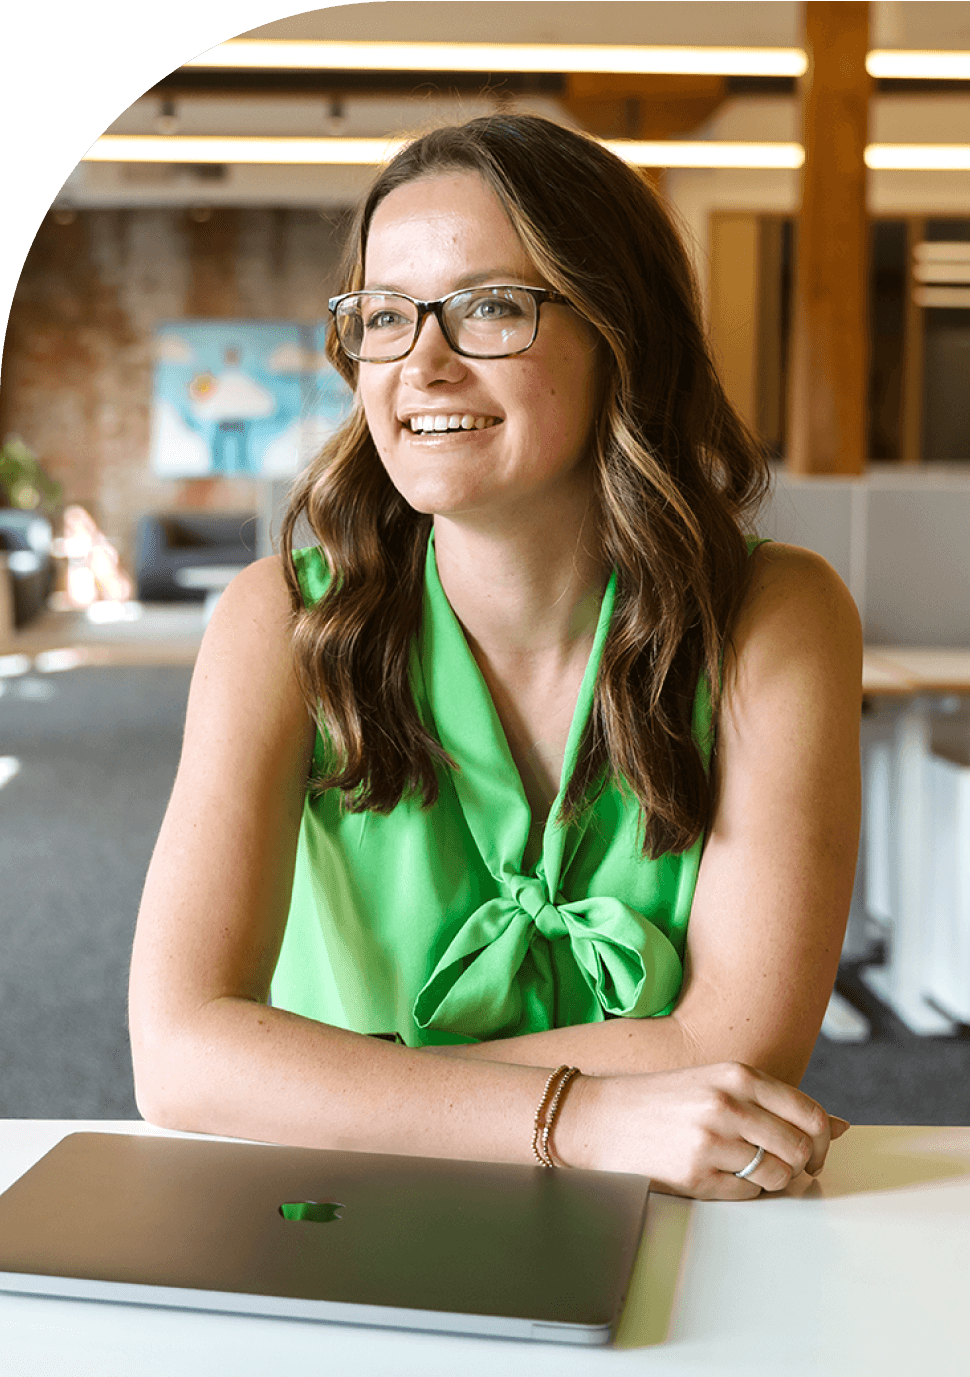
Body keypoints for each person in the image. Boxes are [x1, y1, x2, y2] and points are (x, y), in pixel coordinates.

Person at [129, 114, 862, 1200]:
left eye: (488, 308)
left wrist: (320, 1083)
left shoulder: (772, 612)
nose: (420, 364)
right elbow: (179, 1058)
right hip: (339, 1211)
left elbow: (743, 1050)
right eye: (383, 317)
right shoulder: (278, 621)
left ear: (621, 331)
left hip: (654, 1216)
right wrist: (588, 1113)